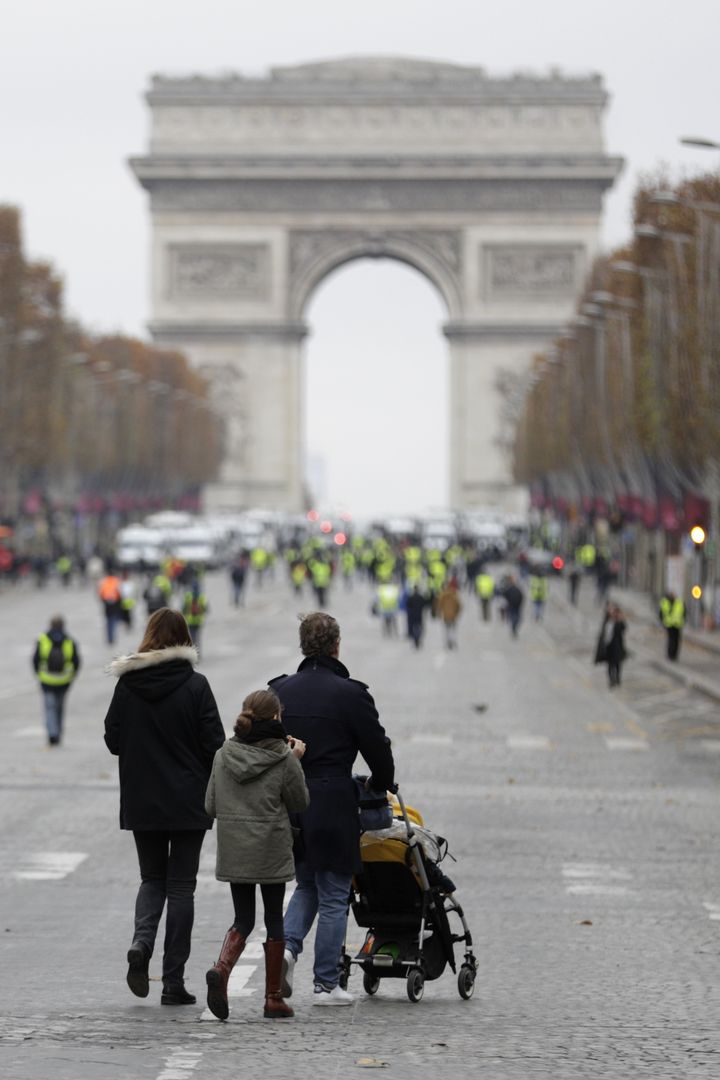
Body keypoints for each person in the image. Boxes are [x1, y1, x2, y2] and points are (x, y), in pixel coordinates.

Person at [269, 612, 395, 1005]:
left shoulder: (279, 691)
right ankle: (326, 985)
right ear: (336, 646)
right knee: (335, 893)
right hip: (334, 800)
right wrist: (381, 783)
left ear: (304, 646)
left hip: (291, 802)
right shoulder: (351, 694)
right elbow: (379, 749)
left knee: (305, 883)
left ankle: (287, 951)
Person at [103, 608, 225, 1006]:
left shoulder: (127, 684)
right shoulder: (197, 685)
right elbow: (215, 745)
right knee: (182, 887)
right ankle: (173, 981)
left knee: (152, 879)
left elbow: (113, 738)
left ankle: (142, 943)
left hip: (143, 798)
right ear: (185, 639)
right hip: (189, 800)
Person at [204, 689, 309, 1021]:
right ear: (276, 717)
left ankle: (221, 969)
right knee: (274, 919)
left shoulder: (224, 754)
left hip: (236, 847)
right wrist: (296, 761)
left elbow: (209, 805)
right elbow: (300, 802)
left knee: (243, 919)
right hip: (271, 848)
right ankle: (273, 999)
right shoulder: (282, 756)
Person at [32, 615, 81, 746]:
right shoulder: (69, 641)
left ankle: (52, 733)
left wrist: (38, 674)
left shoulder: (42, 640)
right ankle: (58, 733)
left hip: (46, 680)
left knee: (49, 707)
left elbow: (35, 659)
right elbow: (76, 661)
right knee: (60, 708)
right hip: (64, 681)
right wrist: (72, 676)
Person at [98, 568, 123, 645]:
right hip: (115, 604)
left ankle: (109, 638)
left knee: (108, 622)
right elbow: (119, 594)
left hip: (107, 604)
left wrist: (104, 601)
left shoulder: (104, 582)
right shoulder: (116, 581)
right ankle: (112, 638)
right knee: (113, 621)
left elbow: (101, 594)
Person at [604, 604, 627, 687]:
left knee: (618, 664)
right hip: (610, 647)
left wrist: (620, 619)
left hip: (618, 647)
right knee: (610, 665)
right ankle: (611, 680)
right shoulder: (609, 622)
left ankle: (617, 678)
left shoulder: (619, 623)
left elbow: (624, 628)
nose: (614, 614)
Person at [659, 591, 685, 661]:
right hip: (670, 624)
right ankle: (671, 655)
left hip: (676, 624)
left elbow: (684, 612)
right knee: (672, 640)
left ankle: (673, 655)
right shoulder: (665, 602)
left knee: (675, 641)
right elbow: (661, 613)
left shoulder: (679, 602)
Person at [435, 580, 462, 649]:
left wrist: (439, 613)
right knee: (453, 629)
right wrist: (457, 613)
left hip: (446, 616)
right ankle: (453, 641)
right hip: (453, 615)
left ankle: (448, 641)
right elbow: (459, 605)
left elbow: (439, 606)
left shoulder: (442, 595)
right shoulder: (454, 594)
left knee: (447, 629)